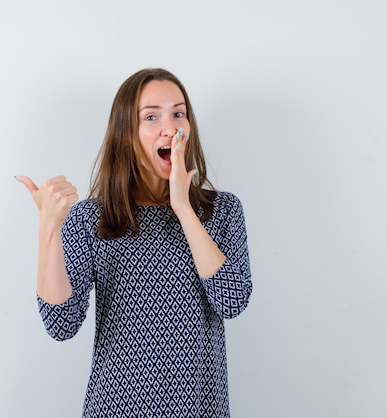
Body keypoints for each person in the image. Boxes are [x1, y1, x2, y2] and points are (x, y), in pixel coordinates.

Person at [16, 68, 252, 418]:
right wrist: (48, 229)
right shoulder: (90, 219)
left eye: (178, 113)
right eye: (151, 116)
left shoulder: (223, 210)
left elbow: (232, 301)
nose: (170, 127)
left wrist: (184, 207)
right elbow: (61, 323)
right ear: (127, 133)